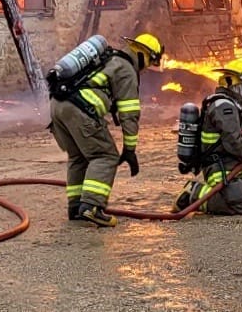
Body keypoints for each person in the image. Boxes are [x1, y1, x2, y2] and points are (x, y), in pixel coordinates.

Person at [49, 32, 164, 227]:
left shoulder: (109, 58)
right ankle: (92, 207)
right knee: (105, 156)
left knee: (78, 157)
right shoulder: (126, 69)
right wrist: (129, 150)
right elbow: (129, 114)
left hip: (57, 107)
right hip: (79, 110)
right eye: (149, 62)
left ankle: (76, 207)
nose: (145, 69)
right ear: (143, 54)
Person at [173, 58, 242, 215]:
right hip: (220, 164)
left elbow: (241, 139)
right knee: (240, 207)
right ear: (237, 84)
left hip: (231, 160)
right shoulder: (224, 107)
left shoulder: (232, 105)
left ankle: (236, 193)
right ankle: (194, 193)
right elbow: (235, 144)